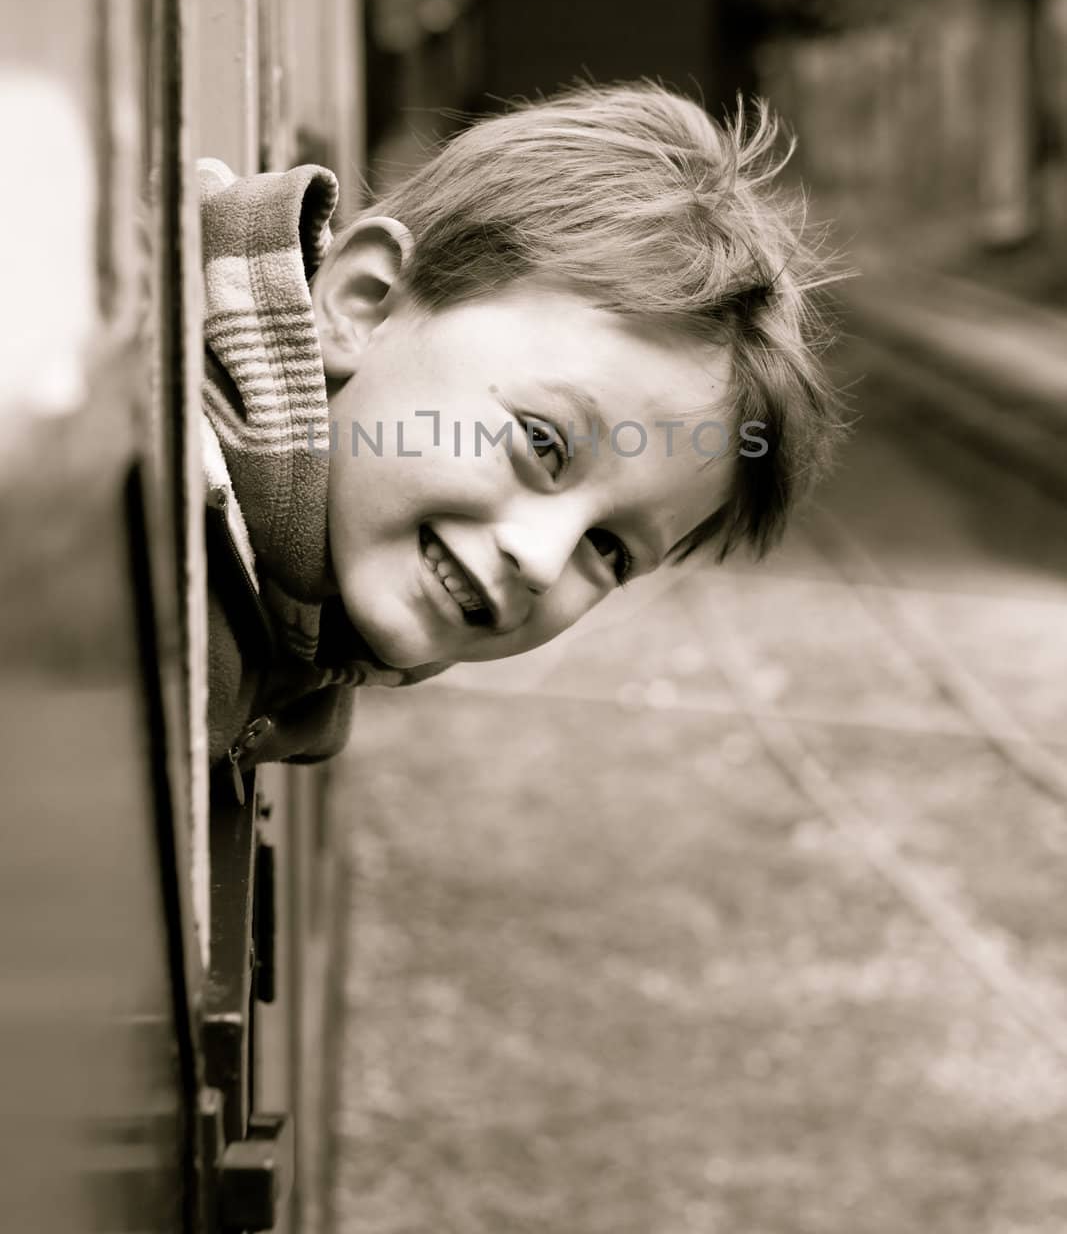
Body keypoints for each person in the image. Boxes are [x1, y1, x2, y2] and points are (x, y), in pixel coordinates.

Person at [202, 82, 844, 799]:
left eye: (609, 549)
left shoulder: (299, 638)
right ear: (364, 303)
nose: (540, 561)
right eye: (543, 445)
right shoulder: (172, 492)